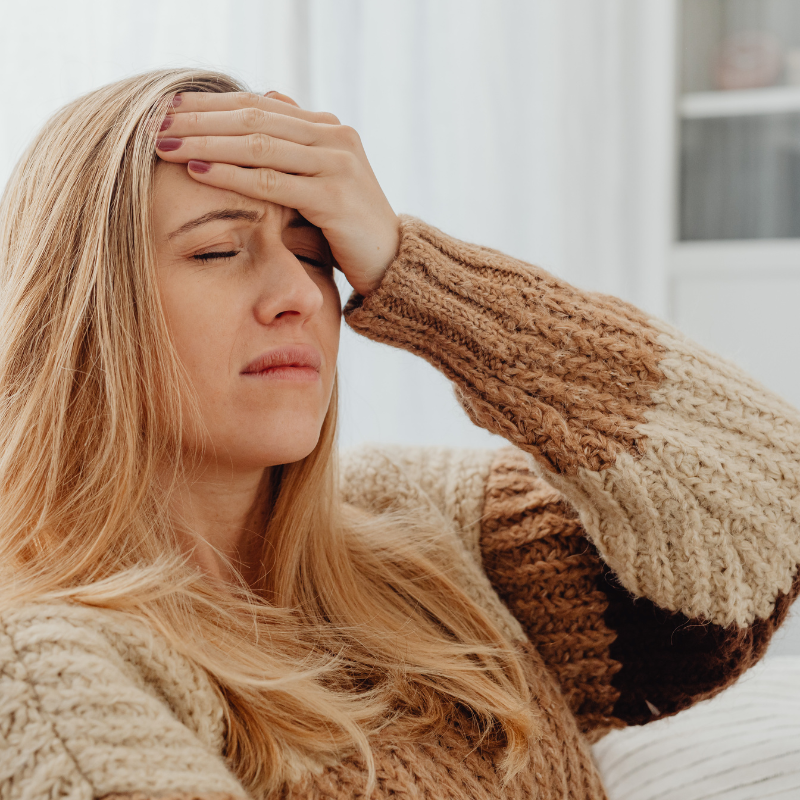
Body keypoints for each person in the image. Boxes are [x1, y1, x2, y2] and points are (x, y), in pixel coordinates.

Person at [0, 67, 798, 800]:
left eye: (316, 253)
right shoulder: (43, 659)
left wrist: (412, 267)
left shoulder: (423, 526)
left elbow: (762, 517)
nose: (300, 297)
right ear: (77, 316)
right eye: (216, 249)